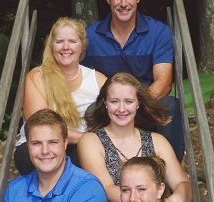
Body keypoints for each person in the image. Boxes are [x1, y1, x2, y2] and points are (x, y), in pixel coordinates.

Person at [81, 0, 185, 162]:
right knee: (89, 110)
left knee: (170, 105)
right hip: (108, 110)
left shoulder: (158, 32)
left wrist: (133, 105)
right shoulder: (90, 36)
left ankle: (169, 174)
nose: (123, 3)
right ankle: (100, 175)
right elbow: (79, 77)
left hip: (146, 107)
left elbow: (164, 83)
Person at [77, 73, 192, 202]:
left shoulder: (157, 141)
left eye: (128, 101)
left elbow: (182, 182)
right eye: (114, 101)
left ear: (138, 103)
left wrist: (177, 198)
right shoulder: (91, 141)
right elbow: (106, 188)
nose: (121, 109)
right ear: (105, 102)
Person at [14, 17, 107, 175]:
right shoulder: (37, 77)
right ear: (51, 46)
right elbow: (40, 127)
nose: (65, 47)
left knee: (87, 159)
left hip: (80, 146)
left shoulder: (97, 79)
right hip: (42, 146)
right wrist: (88, 140)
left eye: (72, 41)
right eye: (59, 42)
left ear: (82, 46)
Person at [5, 109, 108, 201]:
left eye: (53, 142)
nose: (45, 151)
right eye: (36, 143)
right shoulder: (15, 190)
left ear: (65, 143)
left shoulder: (87, 188)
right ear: (27, 146)